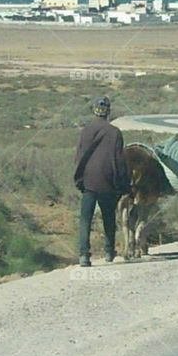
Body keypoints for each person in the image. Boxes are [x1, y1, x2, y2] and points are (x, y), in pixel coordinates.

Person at [73, 96, 130, 266]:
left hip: (89, 180)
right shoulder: (114, 132)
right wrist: (123, 185)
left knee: (85, 219)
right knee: (109, 217)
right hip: (107, 181)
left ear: (93, 111)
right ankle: (109, 251)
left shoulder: (86, 131)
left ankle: (84, 255)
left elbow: (79, 157)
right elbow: (120, 161)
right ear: (108, 112)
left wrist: (79, 179)